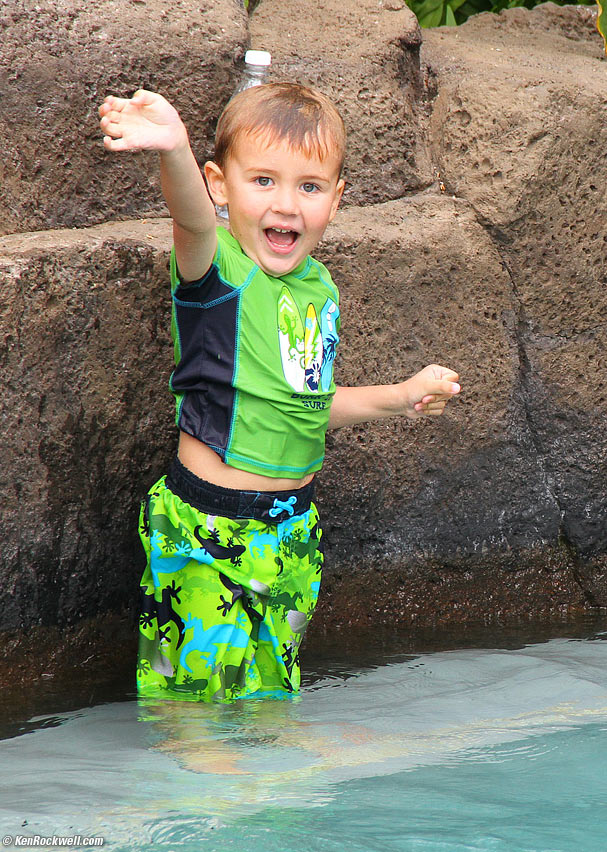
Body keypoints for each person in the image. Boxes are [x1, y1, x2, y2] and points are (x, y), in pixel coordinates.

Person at [98, 82, 461, 701]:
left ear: (336, 199)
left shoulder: (318, 291)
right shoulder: (218, 272)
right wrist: (174, 150)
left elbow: (309, 406)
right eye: (263, 181)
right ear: (220, 186)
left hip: (293, 531)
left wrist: (399, 398)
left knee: (273, 703)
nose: (286, 205)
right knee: (193, 704)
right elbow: (189, 218)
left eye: (309, 186)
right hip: (208, 529)